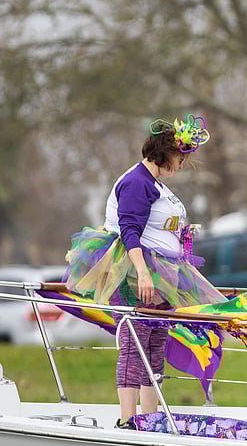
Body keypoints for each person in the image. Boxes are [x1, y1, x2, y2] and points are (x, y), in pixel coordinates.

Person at [65, 115, 225, 428]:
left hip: (161, 272)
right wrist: (143, 272)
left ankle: (149, 418)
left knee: (155, 344)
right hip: (136, 273)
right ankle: (128, 419)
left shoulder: (156, 185)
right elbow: (130, 230)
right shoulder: (136, 182)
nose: (181, 164)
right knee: (133, 343)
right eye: (179, 157)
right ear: (164, 152)